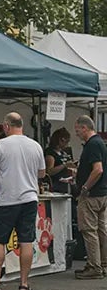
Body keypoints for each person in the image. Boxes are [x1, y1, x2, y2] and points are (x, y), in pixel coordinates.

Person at [0, 112, 45, 290]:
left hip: (7, 200)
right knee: (26, 240)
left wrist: (3, 171)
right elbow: (41, 173)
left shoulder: (1, 145)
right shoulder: (36, 146)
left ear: (7, 126)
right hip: (29, 199)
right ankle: (24, 283)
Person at [73, 115, 107, 280]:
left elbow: (98, 169)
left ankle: (94, 266)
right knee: (101, 230)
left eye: (77, 130)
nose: (77, 133)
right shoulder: (99, 143)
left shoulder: (92, 144)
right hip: (101, 193)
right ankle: (102, 263)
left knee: (89, 230)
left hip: (92, 195)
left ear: (84, 127)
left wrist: (85, 187)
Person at [44, 127, 75, 194]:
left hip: (66, 185)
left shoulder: (63, 152)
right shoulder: (50, 153)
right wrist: (64, 165)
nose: (67, 144)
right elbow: (49, 171)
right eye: (65, 142)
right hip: (56, 186)